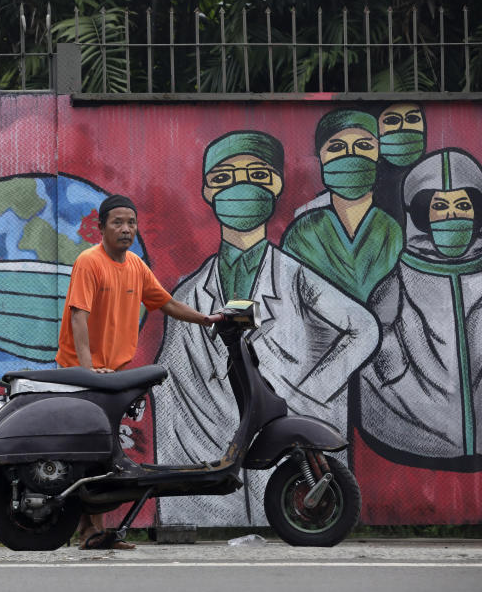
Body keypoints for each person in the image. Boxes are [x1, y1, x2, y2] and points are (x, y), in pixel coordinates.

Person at [153, 131, 378, 527]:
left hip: (282, 421)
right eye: (224, 178)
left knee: (282, 500)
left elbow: (364, 330)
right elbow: (172, 387)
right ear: (207, 191)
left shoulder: (295, 278)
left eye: (256, 175)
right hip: (212, 439)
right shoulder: (189, 291)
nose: (240, 187)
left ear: (275, 184)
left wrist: (308, 390)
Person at [55, 193, 221, 550]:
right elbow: (78, 315)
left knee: (103, 451)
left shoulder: (136, 265)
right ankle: (89, 532)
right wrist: (86, 371)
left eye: (131, 222)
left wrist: (206, 319)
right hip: (82, 374)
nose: (126, 229)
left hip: (113, 374)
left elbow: (168, 303)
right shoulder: (89, 262)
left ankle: (93, 533)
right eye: (117, 222)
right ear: (100, 228)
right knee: (94, 451)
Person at [359, 148, 482, 471]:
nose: (451, 215)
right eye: (439, 206)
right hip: (413, 423)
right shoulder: (400, 277)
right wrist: (392, 370)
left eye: (462, 205)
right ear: (419, 213)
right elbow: (376, 331)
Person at [282, 109, 403, 302]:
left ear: (378, 155)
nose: (350, 155)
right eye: (336, 147)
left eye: (363, 145)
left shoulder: (392, 230)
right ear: (320, 158)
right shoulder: (302, 233)